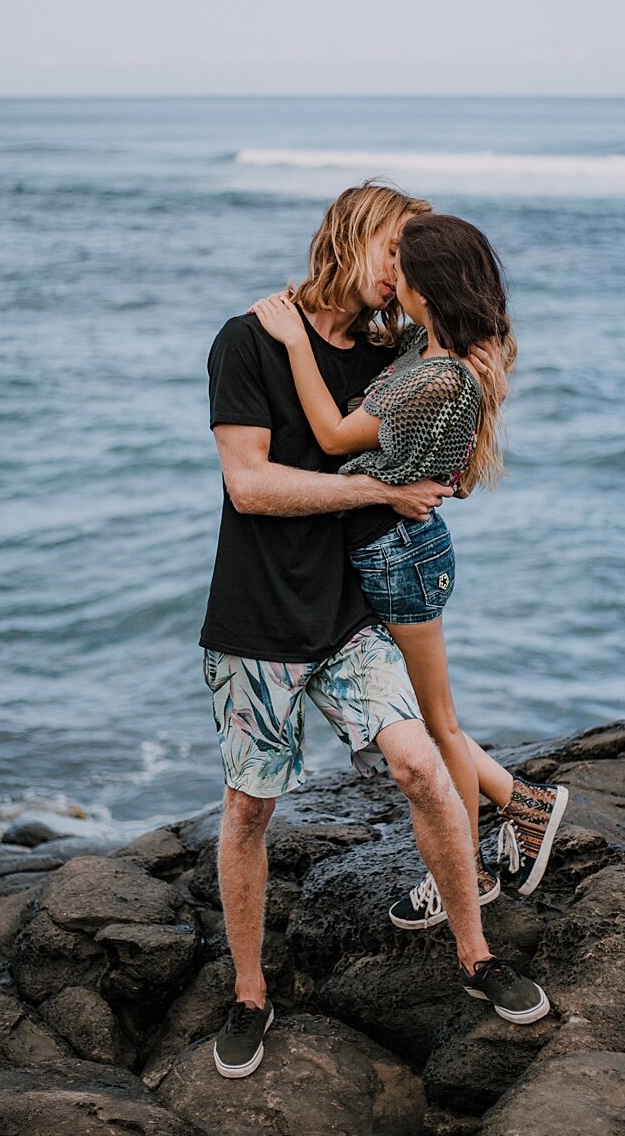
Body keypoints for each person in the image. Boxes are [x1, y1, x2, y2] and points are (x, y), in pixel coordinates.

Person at [201, 184, 549, 1080]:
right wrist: (380, 491)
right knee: (249, 810)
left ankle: (477, 955)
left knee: (424, 765)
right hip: (259, 615)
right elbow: (251, 486)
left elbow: (439, 439)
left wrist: (435, 476)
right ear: (353, 239)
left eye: (413, 257)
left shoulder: (397, 353)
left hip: (354, 614)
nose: (402, 271)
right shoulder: (249, 339)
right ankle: (248, 993)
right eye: (396, 248)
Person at [251, 212, 568, 932]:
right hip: (395, 550)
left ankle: (466, 875)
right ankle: (524, 806)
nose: (391, 272)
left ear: (427, 289)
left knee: (437, 727)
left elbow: (334, 435)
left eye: (402, 263)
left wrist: (295, 338)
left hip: (400, 556)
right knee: (431, 721)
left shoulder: (433, 377)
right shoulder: (434, 347)